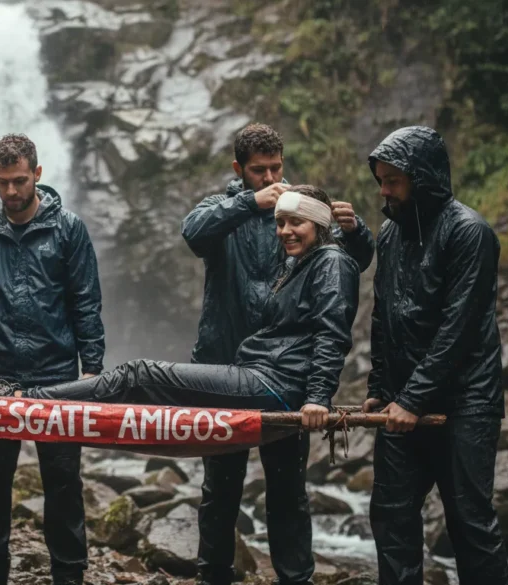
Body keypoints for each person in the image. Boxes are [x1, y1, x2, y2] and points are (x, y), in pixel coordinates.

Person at [0, 185, 358, 444]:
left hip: (275, 384)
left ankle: (19, 399)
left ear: (319, 223)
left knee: (140, 375)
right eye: (280, 223)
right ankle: (23, 396)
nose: (284, 231)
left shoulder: (330, 262)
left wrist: (318, 398)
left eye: (296, 223)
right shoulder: (300, 263)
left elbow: (332, 333)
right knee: (142, 381)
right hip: (262, 374)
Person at [181, 123, 375, 585]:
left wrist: (356, 230)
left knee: (288, 488)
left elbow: (351, 263)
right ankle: (214, 577)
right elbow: (193, 233)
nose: (270, 178)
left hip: (285, 372)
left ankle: (295, 578)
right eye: (258, 171)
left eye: (275, 168)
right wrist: (251, 203)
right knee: (220, 486)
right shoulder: (222, 207)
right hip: (223, 365)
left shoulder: (300, 211)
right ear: (238, 169)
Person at [0, 134, 105, 585]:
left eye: (19, 180)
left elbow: (86, 302)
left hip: (58, 376)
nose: (11, 191)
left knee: (64, 482)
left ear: (38, 174)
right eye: (2, 182)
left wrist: (92, 370)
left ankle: (68, 575)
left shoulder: (68, 229)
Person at [363, 126, 508, 585]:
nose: (384, 191)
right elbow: (383, 315)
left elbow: (458, 328)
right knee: (391, 515)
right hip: (401, 400)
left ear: (422, 178)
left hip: (467, 400)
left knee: (469, 522)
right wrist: (379, 388)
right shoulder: (390, 233)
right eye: (381, 181)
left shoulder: (469, 233)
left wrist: (412, 399)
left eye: (393, 181)